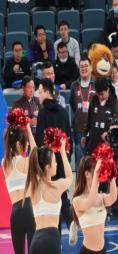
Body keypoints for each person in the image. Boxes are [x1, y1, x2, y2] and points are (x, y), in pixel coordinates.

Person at [2, 117, 39, 254]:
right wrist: (28, 129)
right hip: (29, 211)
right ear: (18, 144)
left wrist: (17, 131)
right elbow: (36, 151)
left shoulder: (4, 163)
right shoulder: (24, 162)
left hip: (15, 214)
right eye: (22, 142)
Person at [35, 79, 73, 234]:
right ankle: (71, 222)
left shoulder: (43, 113)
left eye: (40, 92)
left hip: (47, 164)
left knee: (51, 198)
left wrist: (41, 163)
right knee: (62, 195)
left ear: (47, 92)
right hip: (62, 161)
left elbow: (39, 141)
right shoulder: (63, 112)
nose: (38, 95)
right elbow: (69, 137)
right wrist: (65, 158)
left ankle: (56, 234)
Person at [69, 55, 95, 167]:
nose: (83, 69)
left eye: (86, 66)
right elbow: (72, 103)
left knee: (93, 162)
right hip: (79, 129)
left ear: (91, 68)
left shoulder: (95, 84)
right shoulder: (74, 85)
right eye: (81, 66)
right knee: (81, 163)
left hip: (93, 130)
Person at [84, 77, 118, 154]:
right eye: (98, 94)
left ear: (108, 90)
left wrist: (110, 135)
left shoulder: (115, 103)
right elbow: (89, 119)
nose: (100, 96)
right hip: (93, 143)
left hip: (107, 145)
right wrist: (84, 135)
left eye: (102, 94)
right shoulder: (94, 101)